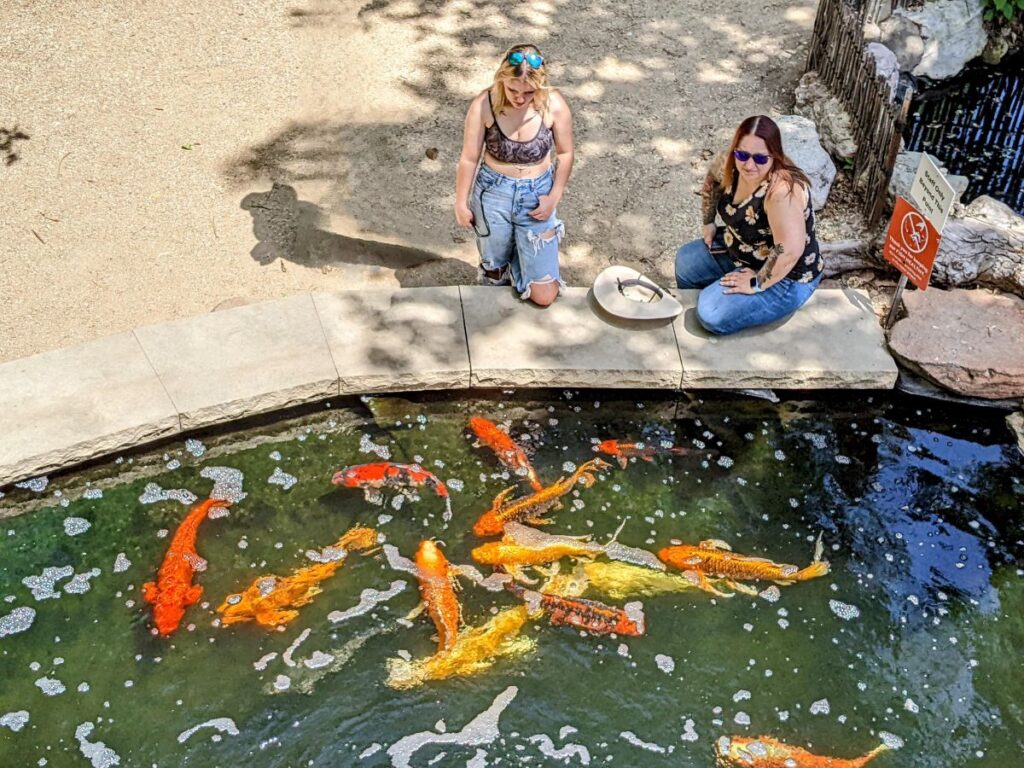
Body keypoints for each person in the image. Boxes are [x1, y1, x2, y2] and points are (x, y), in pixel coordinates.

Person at [674, 115, 823, 334]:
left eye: (760, 159)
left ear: (774, 156)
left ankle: (730, 301)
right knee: (686, 261)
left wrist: (756, 283)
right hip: (744, 248)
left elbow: (789, 251)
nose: (749, 165)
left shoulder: (781, 192)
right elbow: (711, 183)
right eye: (742, 155)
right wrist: (708, 222)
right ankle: (726, 295)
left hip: (786, 275)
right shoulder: (729, 162)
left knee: (711, 312)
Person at [455, 44, 574, 306]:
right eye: (513, 90)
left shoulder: (554, 105)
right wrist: (461, 202)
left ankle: (525, 257)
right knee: (494, 278)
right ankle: (506, 263)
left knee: (544, 295)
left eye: (528, 92)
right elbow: (469, 157)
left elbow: (565, 154)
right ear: (502, 80)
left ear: (540, 87)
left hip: (537, 194)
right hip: (493, 192)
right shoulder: (484, 104)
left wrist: (554, 196)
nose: (519, 98)